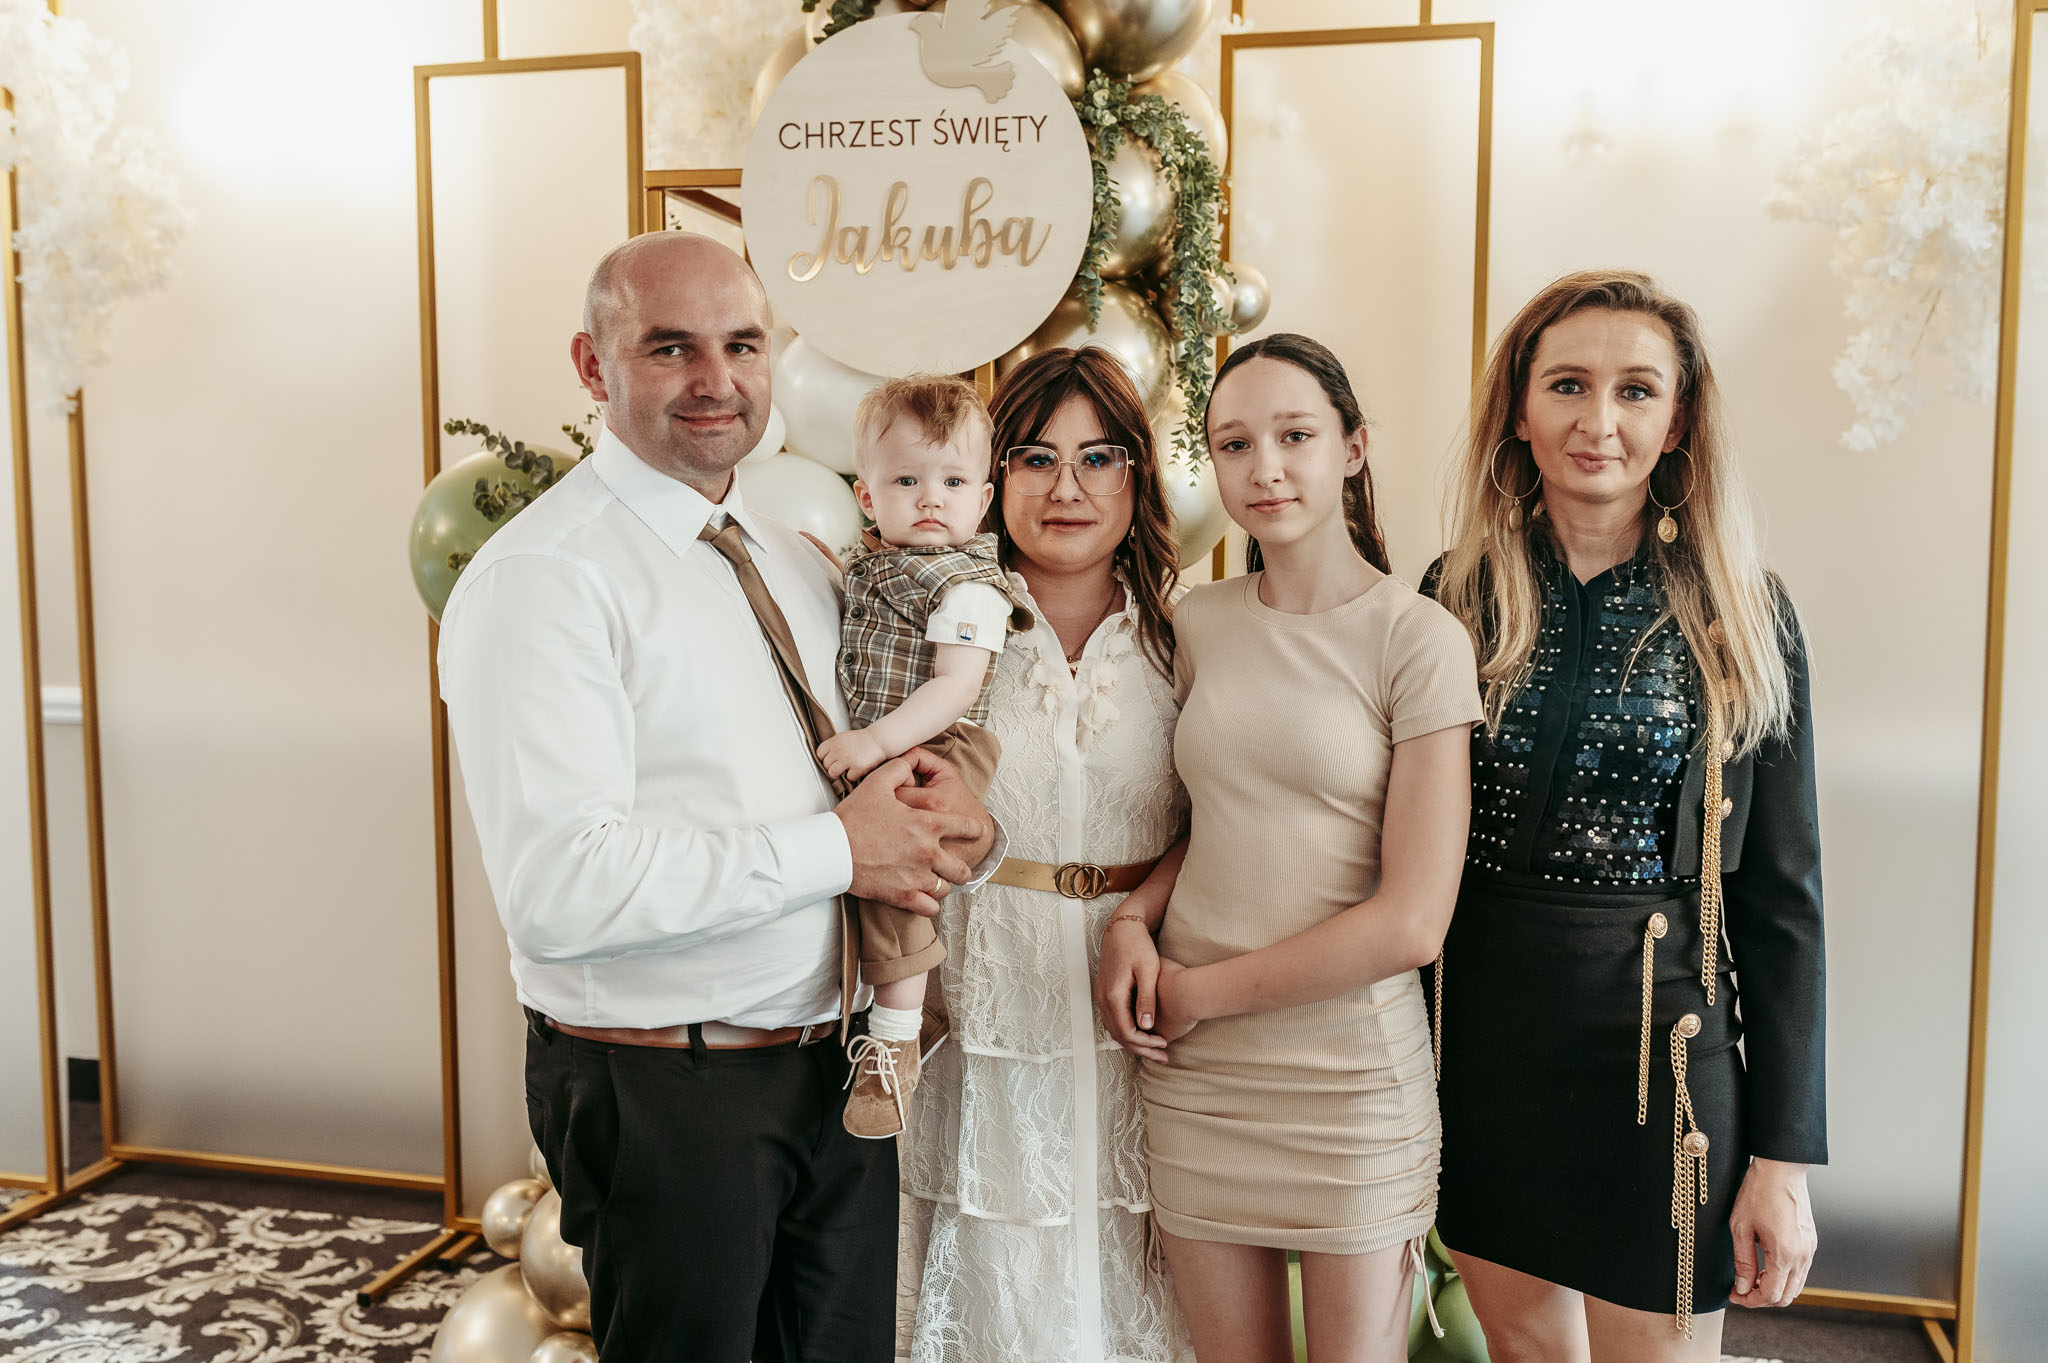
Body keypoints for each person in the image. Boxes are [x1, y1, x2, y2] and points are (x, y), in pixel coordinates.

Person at [436, 231, 1001, 1362]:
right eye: (670, 348)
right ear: (593, 367)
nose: (717, 379)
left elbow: (874, 765)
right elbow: (559, 890)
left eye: (742, 344)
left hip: (832, 1069)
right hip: (668, 1091)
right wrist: (841, 850)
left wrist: (956, 824)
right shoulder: (543, 578)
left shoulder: (798, 555)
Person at [1424, 268, 1826, 1361]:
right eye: (1566, 384)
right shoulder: (1452, 595)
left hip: (1663, 1056)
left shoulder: (1744, 612)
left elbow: (1783, 904)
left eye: (1635, 390)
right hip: (1484, 1041)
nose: (1597, 421)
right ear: (1518, 410)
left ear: (1678, 421)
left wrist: (1783, 1161)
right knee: (1523, 1347)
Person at [1100, 333, 1481, 1362]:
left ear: (1352, 448)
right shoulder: (1198, 620)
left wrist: (1197, 992)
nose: (1264, 467)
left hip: (1346, 1079)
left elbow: (1412, 922)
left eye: (1295, 436)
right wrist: (1133, 918)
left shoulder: (1418, 638)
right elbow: (1206, 821)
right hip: (1194, 1075)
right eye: (1234, 444)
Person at [897, 347, 1191, 1363]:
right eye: (1034, 457)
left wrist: (1144, 909)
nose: (1066, 488)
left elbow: (1226, 818)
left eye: (1097, 458)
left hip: (1137, 1011)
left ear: (1136, 477)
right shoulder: (935, 633)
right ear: (992, 479)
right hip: (978, 1006)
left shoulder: (1185, 641)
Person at [822, 374, 1032, 1139]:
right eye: (907, 481)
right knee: (861, 871)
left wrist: (877, 743)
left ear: (984, 498)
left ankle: (896, 1039)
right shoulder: (875, 563)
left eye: (952, 481)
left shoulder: (968, 586)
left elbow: (955, 686)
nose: (930, 499)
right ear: (868, 496)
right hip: (893, 739)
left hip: (941, 742)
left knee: (897, 876)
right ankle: (914, 1006)